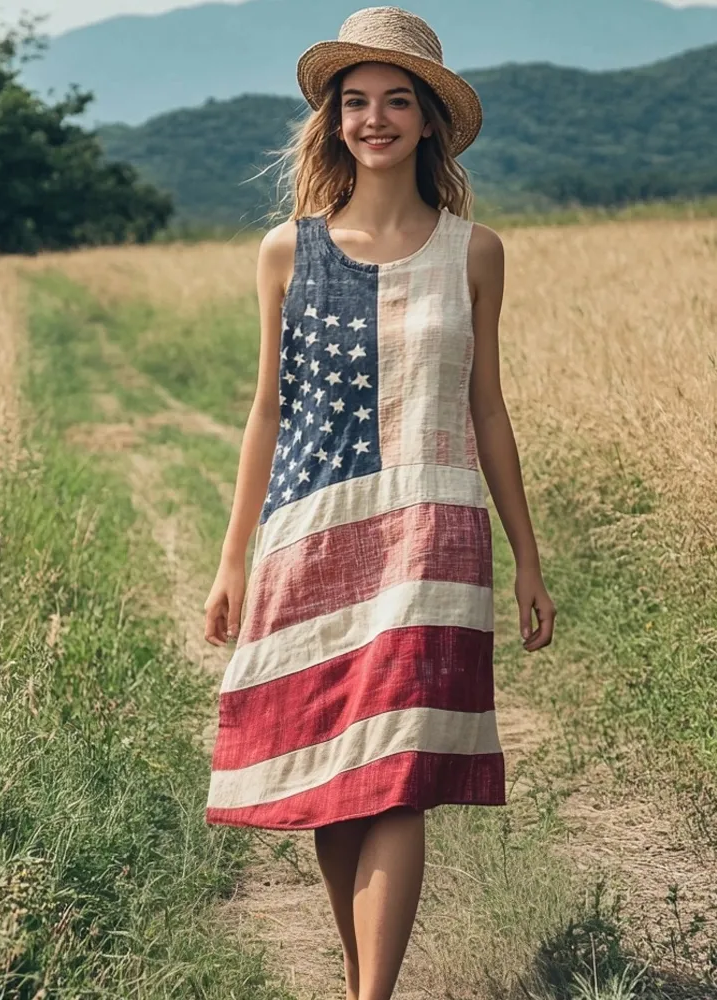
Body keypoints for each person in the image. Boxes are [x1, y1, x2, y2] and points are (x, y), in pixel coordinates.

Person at [203, 6, 556, 999]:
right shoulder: (286, 251)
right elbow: (266, 413)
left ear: (430, 121)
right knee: (335, 776)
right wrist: (233, 560)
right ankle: (368, 978)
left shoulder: (474, 253)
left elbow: (489, 410)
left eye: (397, 100)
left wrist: (527, 556)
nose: (375, 118)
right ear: (333, 122)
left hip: (434, 536)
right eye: (356, 102)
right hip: (311, 535)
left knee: (397, 766)